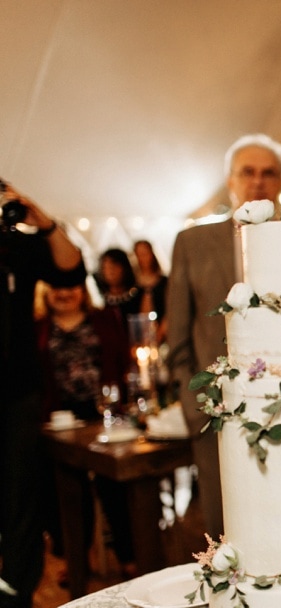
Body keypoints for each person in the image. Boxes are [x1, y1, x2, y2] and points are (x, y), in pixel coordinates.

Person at [166, 133, 281, 537]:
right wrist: (193, 404)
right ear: (230, 181)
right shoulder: (193, 243)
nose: (258, 181)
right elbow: (178, 333)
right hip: (216, 410)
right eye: (247, 172)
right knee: (226, 530)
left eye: (268, 173)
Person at [0, 181, 85, 608]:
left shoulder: (16, 245)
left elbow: (71, 269)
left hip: (17, 390)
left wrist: (44, 222)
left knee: (19, 498)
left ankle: (16, 592)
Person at [35, 279, 139, 575]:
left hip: (105, 413)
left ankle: (128, 557)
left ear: (82, 289)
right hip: (60, 418)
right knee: (65, 490)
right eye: (57, 287)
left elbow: (122, 360)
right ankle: (77, 559)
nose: (64, 292)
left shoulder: (104, 319)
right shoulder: (38, 327)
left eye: (70, 286)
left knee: (115, 486)